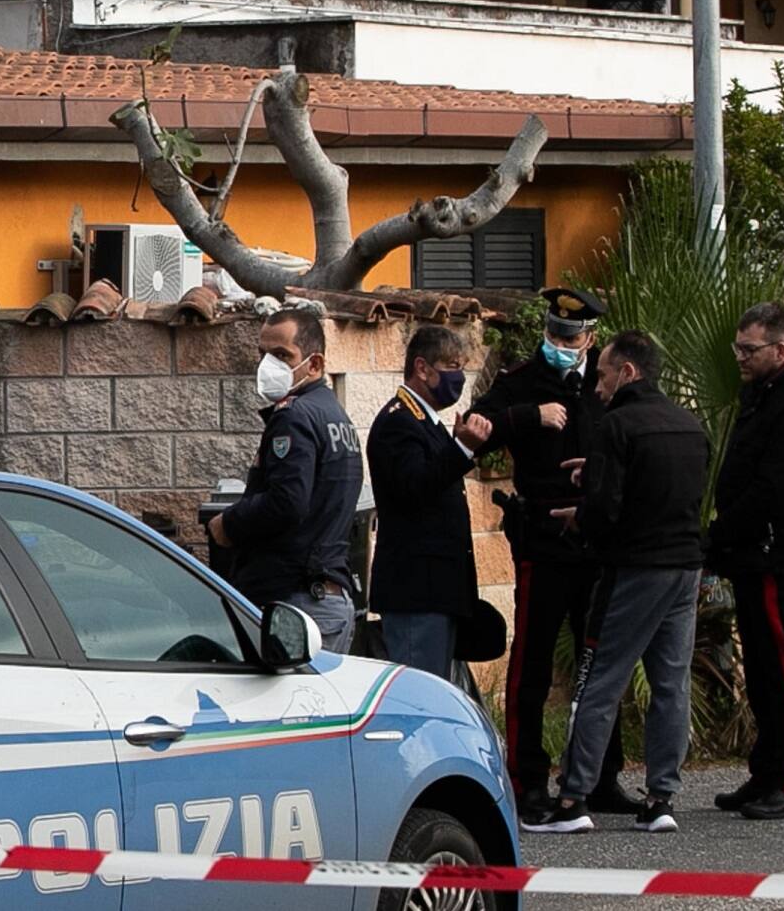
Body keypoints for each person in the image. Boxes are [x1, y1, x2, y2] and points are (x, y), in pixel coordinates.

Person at [526, 331, 710, 835]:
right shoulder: (687, 424)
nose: (597, 384)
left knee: (600, 680)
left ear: (628, 372)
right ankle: (661, 798)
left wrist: (578, 518)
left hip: (635, 570)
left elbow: (607, 511)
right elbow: (666, 488)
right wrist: (602, 475)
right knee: (671, 684)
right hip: (685, 567)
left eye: (603, 373)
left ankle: (572, 800)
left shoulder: (617, 424)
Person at [470, 287, 633, 820]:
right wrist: (528, 417)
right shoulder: (520, 382)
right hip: (542, 539)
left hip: (595, 539)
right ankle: (527, 782)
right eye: (556, 334)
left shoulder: (604, 387)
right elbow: (475, 430)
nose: (563, 343)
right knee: (532, 666)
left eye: (573, 336)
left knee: (601, 664)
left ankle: (599, 776)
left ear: (592, 338)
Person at [706, 301, 784, 821]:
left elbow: (776, 488)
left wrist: (719, 533)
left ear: (780, 349)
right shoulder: (760, 395)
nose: (740, 357)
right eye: (738, 348)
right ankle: (767, 770)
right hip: (750, 552)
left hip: (777, 548)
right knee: (759, 668)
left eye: (749, 349)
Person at [208, 308, 365, 653]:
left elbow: (287, 502)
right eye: (262, 354)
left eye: (281, 355)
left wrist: (228, 524)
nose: (268, 365)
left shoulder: (294, 416)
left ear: (314, 364)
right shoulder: (334, 415)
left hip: (298, 603)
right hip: (327, 600)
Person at [367, 324, 494, 678]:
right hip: (416, 594)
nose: (459, 376)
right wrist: (463, 448)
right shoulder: (400, 422)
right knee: (418, 699)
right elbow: (414, 487)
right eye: (451, 366)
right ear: (422, 368)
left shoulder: (428, 422)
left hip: (438, 593)